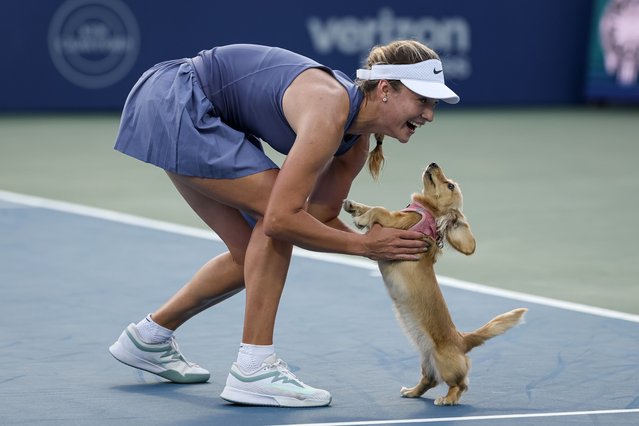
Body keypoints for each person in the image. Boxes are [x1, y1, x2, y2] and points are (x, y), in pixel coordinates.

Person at [108, 40, 460, 407]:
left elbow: (319, 219)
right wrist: (365, 245)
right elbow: (282, 219)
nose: (430, 114)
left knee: (251, 258)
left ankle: (149, 337)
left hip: (182, 105)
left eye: (433, 105)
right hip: (178, 100)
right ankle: (254, 368)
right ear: (386, 90)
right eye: (423, 101)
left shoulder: (353, 147)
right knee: (277, 218)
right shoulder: (329, 108)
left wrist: (384, 247)